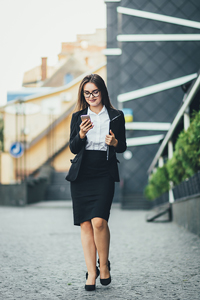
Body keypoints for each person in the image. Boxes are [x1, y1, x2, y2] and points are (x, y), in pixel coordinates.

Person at [65, 73, 127, 291]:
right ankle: (91, 272)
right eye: (87, 93)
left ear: (102, 91)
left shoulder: (117, 116)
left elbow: (122, 147)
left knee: (99, 221)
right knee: (85, 224)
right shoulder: (78, 117)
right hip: (82, 173)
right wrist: (81, 134)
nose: (91, 96)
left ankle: (104, 264)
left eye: (95, 92)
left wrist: (115, 141)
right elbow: (73, 147)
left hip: (103, 171)